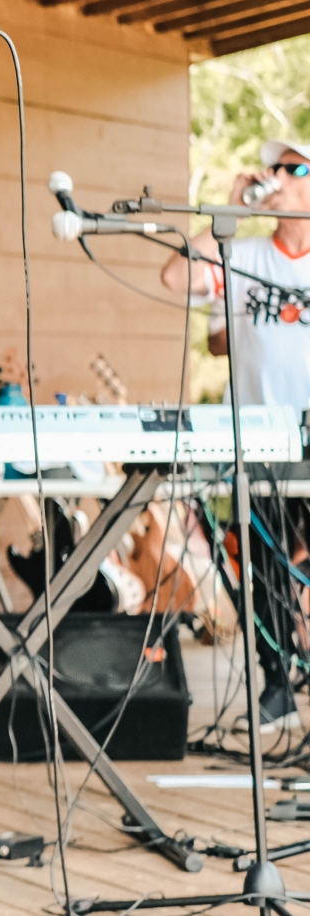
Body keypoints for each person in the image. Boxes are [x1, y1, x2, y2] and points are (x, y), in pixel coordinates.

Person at [161, 137, 310, 732]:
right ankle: (278, 684)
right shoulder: (243, 253)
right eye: (274, 167)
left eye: (294, 168)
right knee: (263, 563)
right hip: (260, 438)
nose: (278, 175)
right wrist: (229, 213)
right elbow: (175, 275)